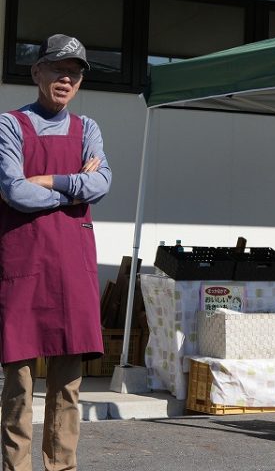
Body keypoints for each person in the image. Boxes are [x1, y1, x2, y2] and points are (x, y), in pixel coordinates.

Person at [0, 35, 111, 471]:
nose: (67, 77)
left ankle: (62, 466)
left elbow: (102, 184)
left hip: (72, 268)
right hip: (23, 264)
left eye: (76, 71)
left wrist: (45, 180)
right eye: (58, 68)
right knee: (19, 384)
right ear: (37, 72)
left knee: (68, 387)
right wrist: (71, 186)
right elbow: (13, 191)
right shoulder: (9, 125)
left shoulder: (89, 129)